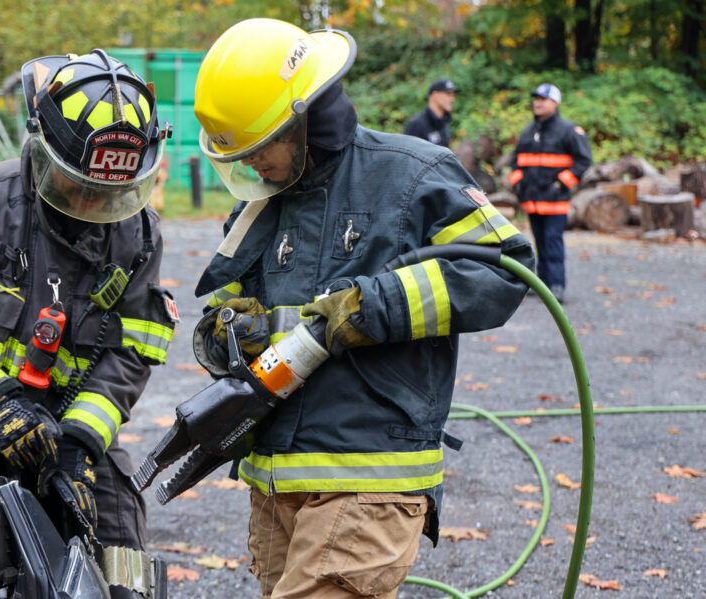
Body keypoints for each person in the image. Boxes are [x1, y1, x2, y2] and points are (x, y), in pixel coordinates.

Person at [191, 19, 535, 599]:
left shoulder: (413, 174)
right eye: (240, 156)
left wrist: (374, 305)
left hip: (370, 473)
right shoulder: (259, 208)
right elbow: (222, 313)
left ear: (302, 119)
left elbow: (501, 271)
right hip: (276, 482)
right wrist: (229, 335)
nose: (251, 168)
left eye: (258, 149)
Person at [0, 50, 177, 598]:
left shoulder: (137, 231)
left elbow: (134, 349)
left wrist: (80, 443)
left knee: (126, 578)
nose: (96, 202)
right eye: (80, 186)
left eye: (112, 190)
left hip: (71, 438)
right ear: (42, 147)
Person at [508, 83, 592, 302]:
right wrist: (517, 182)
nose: (538, 102)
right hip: (532, 201)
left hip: (555, 202)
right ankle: (542, 284)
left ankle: (557, 286)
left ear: (555, 103)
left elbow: (583, 161)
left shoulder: (568, 130)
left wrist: (561, 184)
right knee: (539, 243)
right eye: (536, 98)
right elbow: (516, 160)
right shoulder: (529, 130)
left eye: (543, 99)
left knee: (553, 242)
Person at [404, 78, 459, 148]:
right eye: (448, 94)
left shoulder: (444, 121)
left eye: (453, 95)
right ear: (435, 95)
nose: (452, 99)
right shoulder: (417, 124)